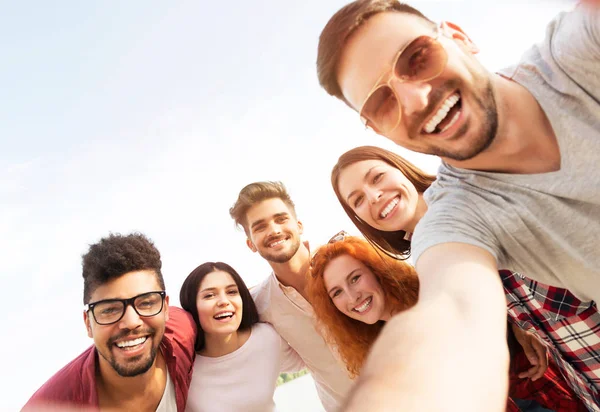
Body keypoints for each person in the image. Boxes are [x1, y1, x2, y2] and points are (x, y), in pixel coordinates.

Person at [316, 1, 600, 409]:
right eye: (382, 102)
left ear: (460, 37)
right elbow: (453, 308)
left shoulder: (576, 54)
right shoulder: (453, 219)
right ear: (381, 130)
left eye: (417, 57)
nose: (415, 99)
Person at [330, 145, 600, 410]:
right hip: (584, 380)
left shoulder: (468, 191)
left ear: (399, 167)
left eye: (377, 177)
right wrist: (520, 322)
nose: (374, 196)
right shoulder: (423, 255)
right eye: (358, 200)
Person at [307, 234, 589, 411]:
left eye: (355, 278)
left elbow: (497, 293)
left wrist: (519, 324)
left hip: (548, 392)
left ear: (376, 270)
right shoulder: (382, 353)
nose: (352, 296)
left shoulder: (434, 284)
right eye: (337, 293)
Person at [23, 233, 196, 412]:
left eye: (146, 303)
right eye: (110, 310)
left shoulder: (183, 333)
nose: (131, 322)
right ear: (88, 324)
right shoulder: (50, 406)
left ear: (166, 308)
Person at [229, 181, 354, 412]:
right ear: (251, 244)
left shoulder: (349, 264)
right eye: (259, 227)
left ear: (299, 225)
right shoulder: (258, 305)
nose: (274, 230)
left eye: (281, 219)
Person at [179, 261, 304, 412]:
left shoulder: (267, 338)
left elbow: (311, 361)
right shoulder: (183, 366)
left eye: (232, 292)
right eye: (210, 295)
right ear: (191, 306)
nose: (224, 301)